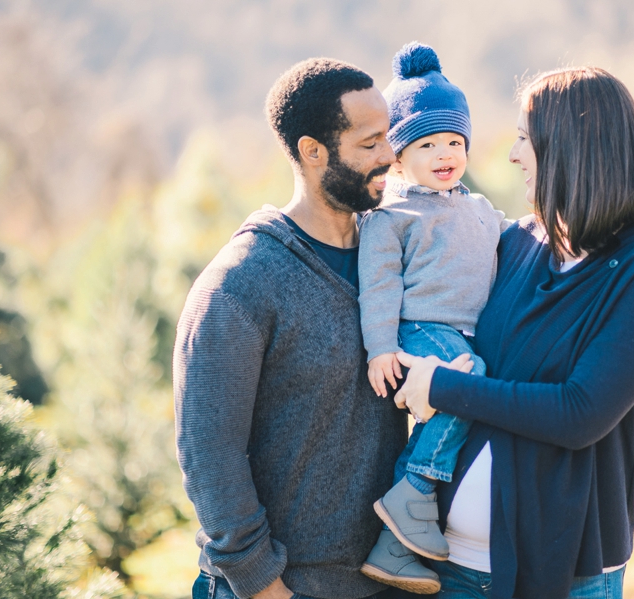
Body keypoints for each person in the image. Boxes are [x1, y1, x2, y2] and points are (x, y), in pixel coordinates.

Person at [393, 67, 634, 599]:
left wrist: (441, 387)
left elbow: (579, 414)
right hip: (446, 567)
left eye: (524, 139)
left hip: (566, 574)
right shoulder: (514, 244)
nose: (511, 155)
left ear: (571, 148)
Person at [173, 57, 438, 599]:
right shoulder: (241, 282)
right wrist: (264, 586)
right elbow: (209, 455)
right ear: (313, 151)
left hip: (381, 580)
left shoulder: (390, 260)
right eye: (369, 143)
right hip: (286, 587)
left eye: (389, 136)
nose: (390, 155)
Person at [356, 43, 507, 594]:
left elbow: (518, 239)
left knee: (460, 394)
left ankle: (393, 548)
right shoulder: (390, 217)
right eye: (426, 144)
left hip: (463, 335)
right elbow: (377, 287)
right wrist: (379, 349)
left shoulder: (479, 208)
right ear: (398, 156)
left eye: (454, 142)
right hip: (418, 329)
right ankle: (416, 487)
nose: (444, 153)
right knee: (469, 381)